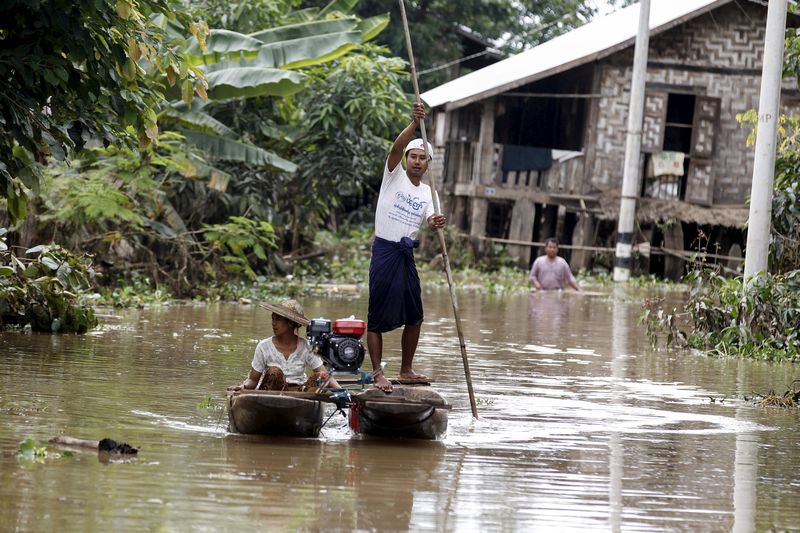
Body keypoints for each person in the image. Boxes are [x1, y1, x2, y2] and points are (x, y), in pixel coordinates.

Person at [367, 102, 446, 393]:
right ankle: (377, 373)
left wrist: (436, 221)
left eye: (422, 158)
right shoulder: (394, 176)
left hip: (405, 254)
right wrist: (414, 123)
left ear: (427, 164)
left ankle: (406, 369)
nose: (416, 161)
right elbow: (395, 149)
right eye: (413, 156)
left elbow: (430, 218)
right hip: (385, 252)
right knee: (375, 318)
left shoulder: (428, 192)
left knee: (415, 315)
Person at [227, 299, 337, 392]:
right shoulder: (263, 346)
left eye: (278, 319)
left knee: (320, 376)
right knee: (274, 372)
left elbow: (324, 374)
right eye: (273, 318)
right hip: (272, 392)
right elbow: (253, 381)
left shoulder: (306, 346)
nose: (273, 323)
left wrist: (343, 392)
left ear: (290, 323)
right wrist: (242, 387)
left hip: (300, 395)